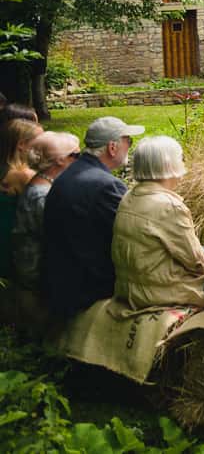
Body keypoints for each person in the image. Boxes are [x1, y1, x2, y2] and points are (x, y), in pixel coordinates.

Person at [43, 116, 139, 318]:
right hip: (88, 288)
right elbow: (133, 234)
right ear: (112, 148)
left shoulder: (69, 174)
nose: (130, 146)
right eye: (128, 141)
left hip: (61, 279)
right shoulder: (106, 185)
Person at [110, 135, 204, 312]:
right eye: (181, 158)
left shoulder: (129, 196)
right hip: (159, 294)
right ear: (170, 164)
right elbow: (195, 262)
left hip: (129, 288)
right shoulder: (169, 206)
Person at [10, 132, 79, 292]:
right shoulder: (42, 195)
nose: (80, 160)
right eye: (75, 155)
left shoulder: (43, 183)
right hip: (38, 275)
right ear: (60, 160)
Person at [0, 119, 42, 279]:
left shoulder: (6, 169)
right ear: (22, 145)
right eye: (40, 141)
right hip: (15, 247)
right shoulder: (23, 175)